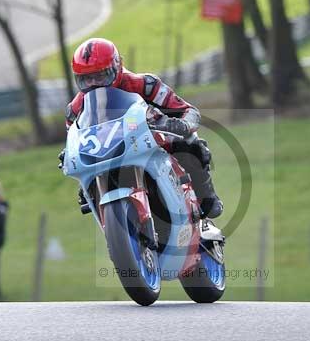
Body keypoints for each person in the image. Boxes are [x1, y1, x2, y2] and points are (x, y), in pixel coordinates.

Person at [61, 37, 223, 219]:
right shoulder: (75, 109)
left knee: (191, 143)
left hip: (150, 146)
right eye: (86, 79)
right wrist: (68, 154)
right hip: (107, 159)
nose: (94, 84)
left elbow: (188, 110)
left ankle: (206, 197)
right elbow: (73, 139)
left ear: (117, 67)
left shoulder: (145, 85)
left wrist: (183, 124)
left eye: (100, 76)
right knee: (85, 191)